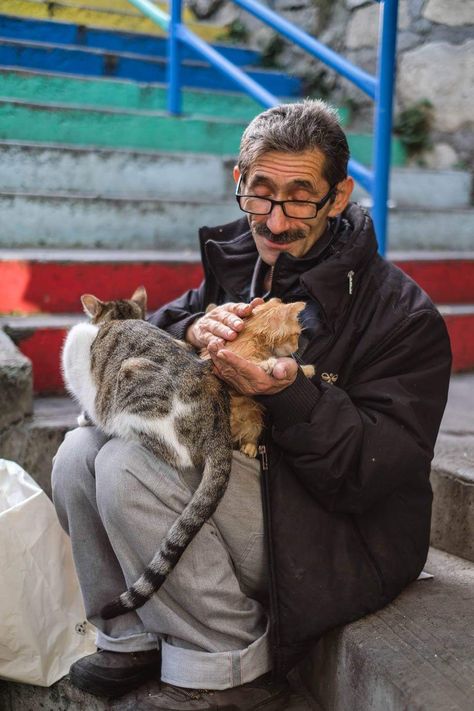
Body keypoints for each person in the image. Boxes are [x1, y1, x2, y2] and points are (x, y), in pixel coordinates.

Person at [52, 100, 452, 709]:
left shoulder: (403, 315)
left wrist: (289, 395)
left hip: (342, 531)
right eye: (260, 192)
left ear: (338, 197)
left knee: (127, 467)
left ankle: (228, 666)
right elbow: (147, 330)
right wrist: (190, 333)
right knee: (78, 451)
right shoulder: (237, 260)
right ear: (239, 181)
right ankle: (129, 636)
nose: (274, 219)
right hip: (254, 490)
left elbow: (371, 474)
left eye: (299, 197)